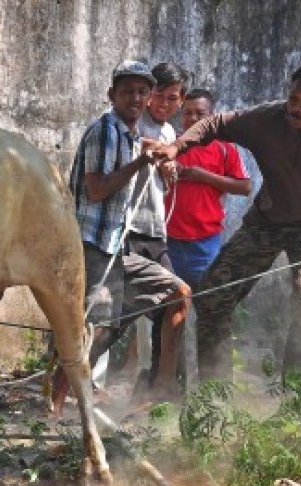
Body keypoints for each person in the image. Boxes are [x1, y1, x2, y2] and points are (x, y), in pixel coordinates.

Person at [153, 59, 301, 383]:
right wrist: (176, 147)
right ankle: (216, 389)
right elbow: (215, 124)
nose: (295, 109)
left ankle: (296, 396)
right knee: (213, 292)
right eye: (293, 99)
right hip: (266, 222)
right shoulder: (268, 118)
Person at [63, 59, 190, 407]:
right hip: (94, 246)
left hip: (117, 246)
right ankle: (56, 406)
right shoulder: (106, 130)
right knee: (92, 327)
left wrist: (161, 167)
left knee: (175, 295)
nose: (136, 98)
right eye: (127, 92)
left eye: (141, 91)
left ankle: (161, 391)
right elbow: (98, 190)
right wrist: (140, 162)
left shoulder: (133, 133)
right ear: (112, 95)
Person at [127, 62, 192, 398]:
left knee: (174, 300)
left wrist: (170, 167)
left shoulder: (169, 133)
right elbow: (133, 143)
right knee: (113, 317)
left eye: (173, 98)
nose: (164, 104)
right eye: (159, 96)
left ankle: (161, 385)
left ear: (181, 101)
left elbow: (162, 170)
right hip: (127, 230)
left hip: (154, 231)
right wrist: (156, 152)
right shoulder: (134, 120)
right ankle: (65, 391)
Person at [166, 88, 252, 289]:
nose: (193, 118)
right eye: (187, 113)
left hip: (205, 242)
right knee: (169, 305)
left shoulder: (225, 148)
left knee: (207, 301)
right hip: (169, 240)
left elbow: (245, 187)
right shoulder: (171, 145)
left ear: (212, 116)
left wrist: (202, 176)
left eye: (200, 113)